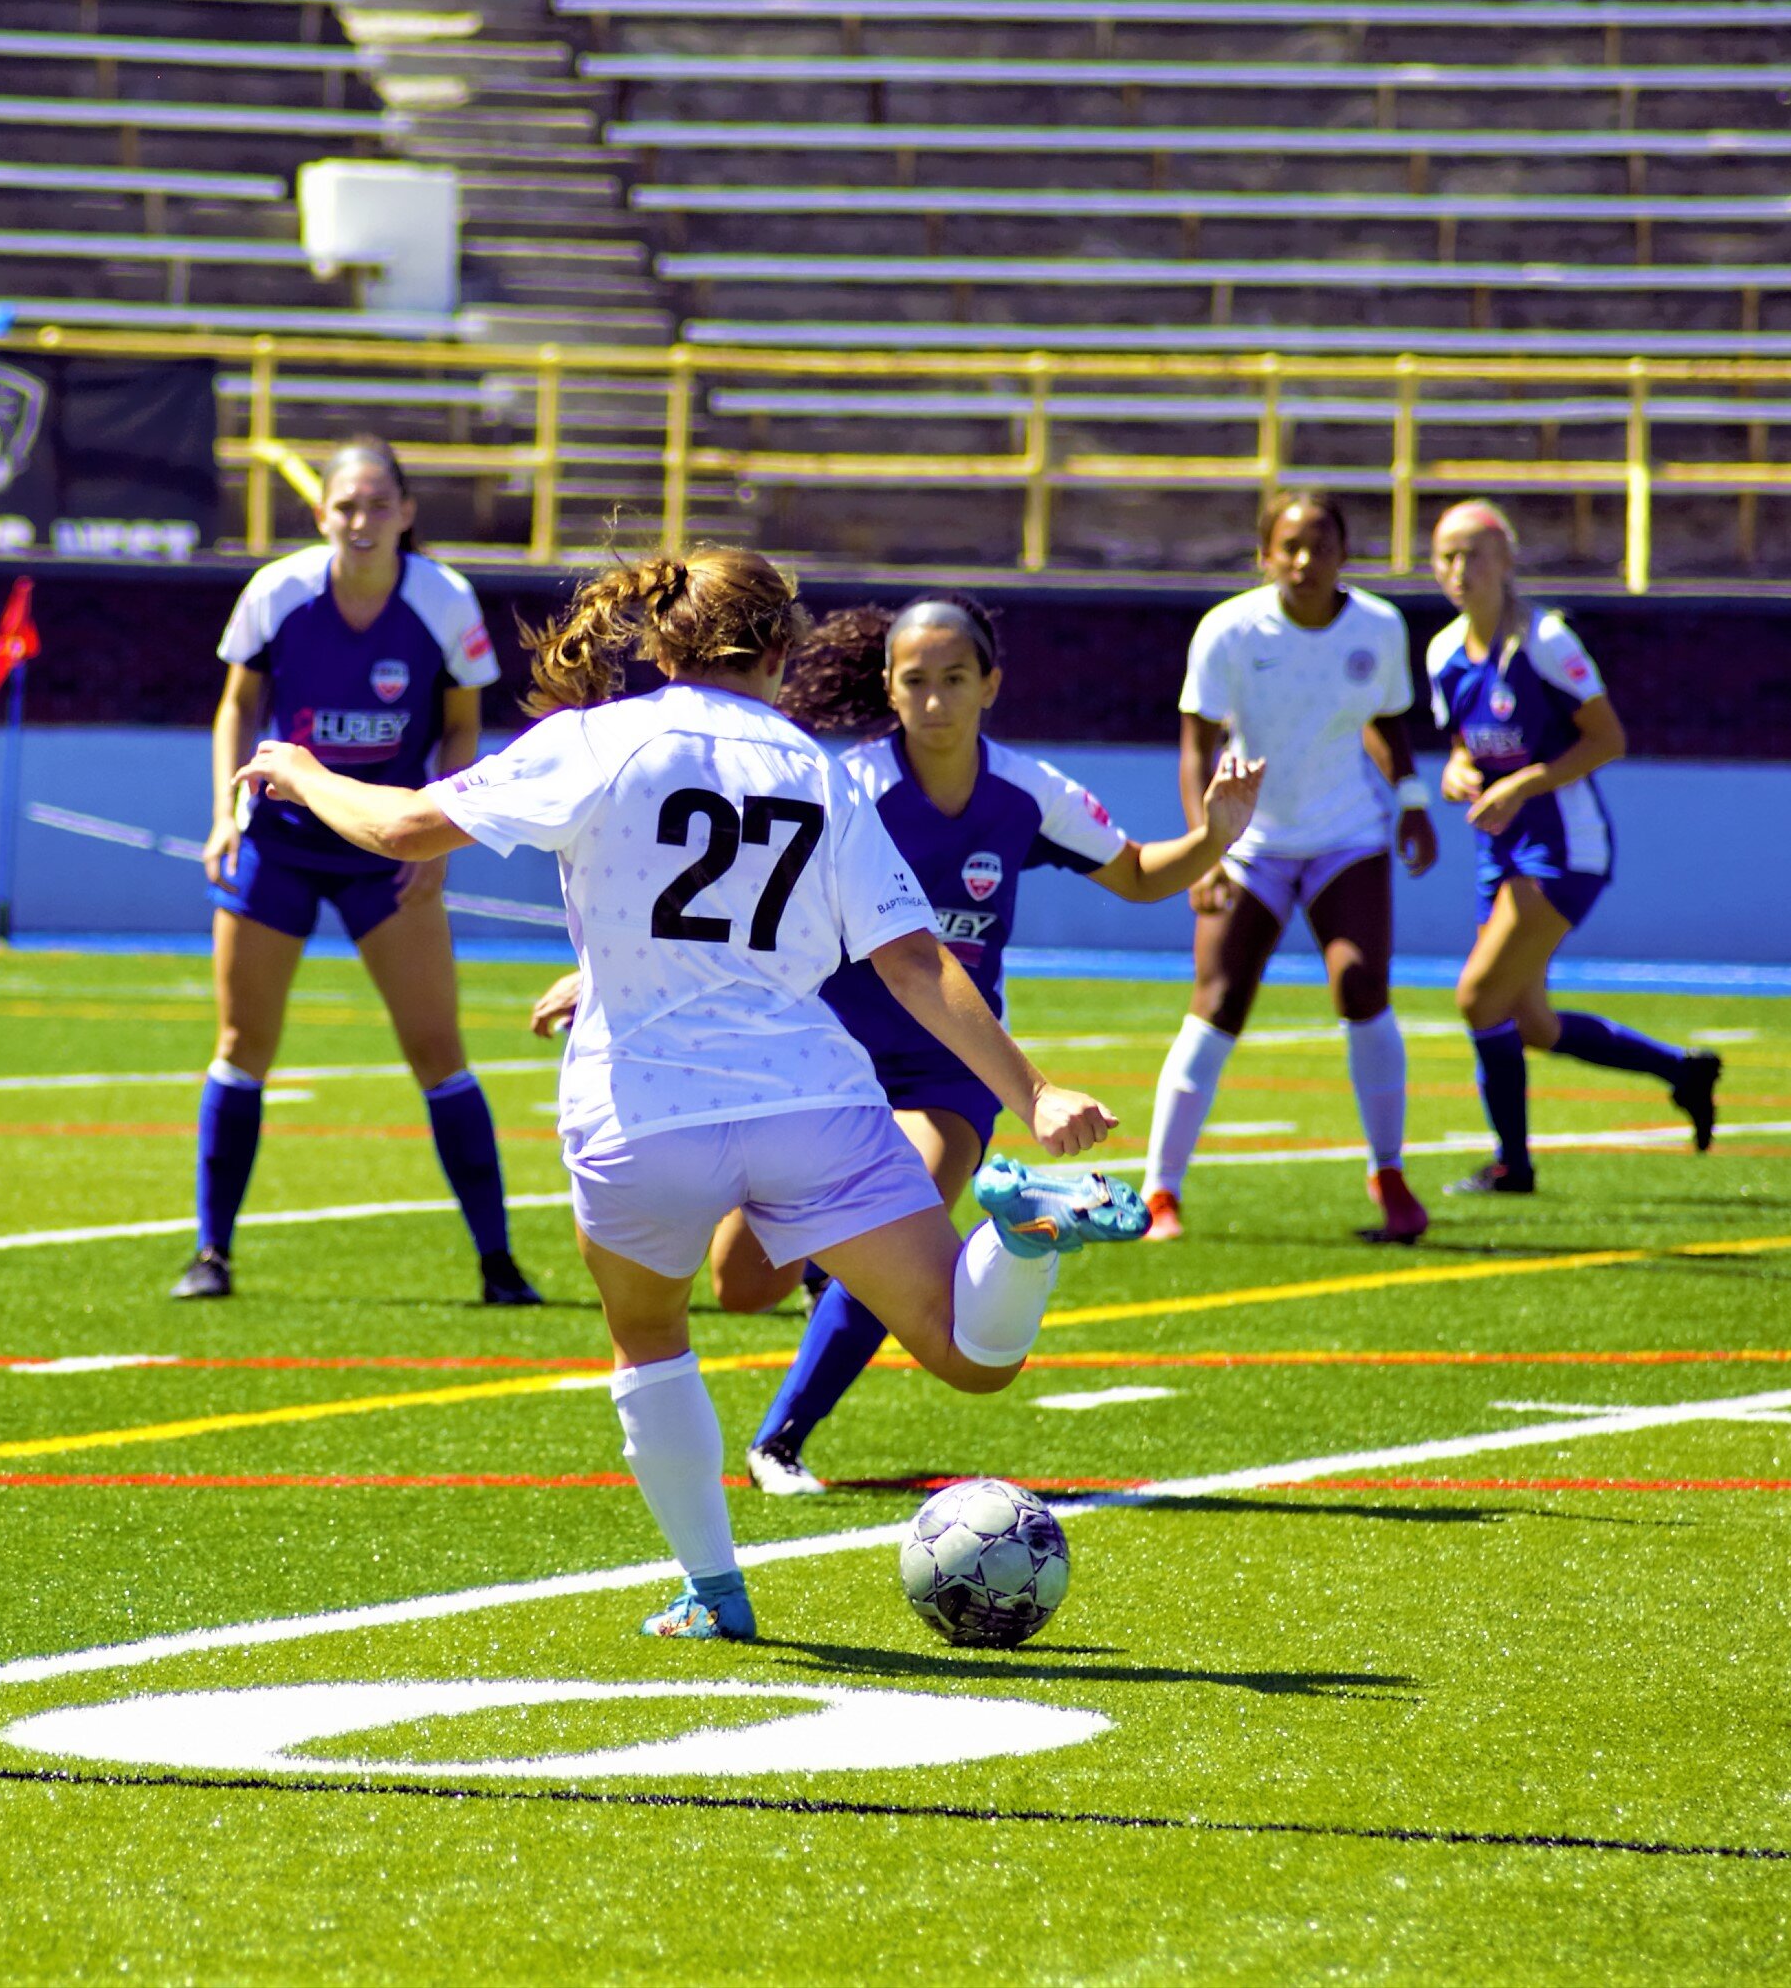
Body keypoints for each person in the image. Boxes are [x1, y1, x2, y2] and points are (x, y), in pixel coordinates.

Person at [235, 545, 1140, 1641]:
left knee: (651, 1338)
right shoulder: (821, 769)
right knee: (972, 1354)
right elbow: (912, 964)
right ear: (780, 649)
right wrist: (1034, 1093)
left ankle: (716, 1592)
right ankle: (1028, 1237)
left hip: (641, 1113)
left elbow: (398, 829)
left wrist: (297, 769)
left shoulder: (594, 740)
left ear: (662, 640)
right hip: (810, 1103)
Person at [522, 599, 1263, 1497]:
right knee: (740, 1284)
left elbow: (1141, 874)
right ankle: (832, 1273)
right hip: (819, 1060)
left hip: (950, 1065)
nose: (936, 699)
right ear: (888, 687)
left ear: (991, 684)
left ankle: (781, 1441)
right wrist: (604, 977)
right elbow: (720, 907)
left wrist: (1214, 838)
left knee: (910, 1240)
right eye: (916, 680)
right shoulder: (847, 783)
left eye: (956, 679)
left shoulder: (1029, 793)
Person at [186, 438, 536, 1308]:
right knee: (241, 1047)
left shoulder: (442, 599)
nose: (362, 519)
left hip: (387, 846)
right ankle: (211, 1254)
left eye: (380, 503)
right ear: (321, 514)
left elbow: (462, 728)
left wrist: (436, 835)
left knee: (437, 1050)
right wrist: (227, 815)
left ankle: (498, 1263)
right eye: (347, 504)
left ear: (408, 512)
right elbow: (236, 707)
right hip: (281, 841)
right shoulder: (278, 591)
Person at [1142, 489, 1437, 1246]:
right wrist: (1202, 845)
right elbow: (1196, 746)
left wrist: (1411, 801)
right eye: (1290, 545)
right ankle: (1160, 1193)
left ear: (1346, 551)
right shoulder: (1229, 630)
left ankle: (1390, 1172)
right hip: (1249, 842)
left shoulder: (1379, 625)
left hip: (1347, 833)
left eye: (1321, 544)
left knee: (1363, 984)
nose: (1306, 560)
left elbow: (1386, 720)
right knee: (1218, 1000)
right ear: (1266, 554)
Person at [1425, 499, 1719, 1194]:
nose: (1459, 569)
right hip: (1501, 848)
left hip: (1564, 846)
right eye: (1445, 556)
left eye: (1473, 553)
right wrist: (1457, 770)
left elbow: (1608, 738)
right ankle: (1683, 1070)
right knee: (1527, 1020)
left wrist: (1524, 783)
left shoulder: (1546, 639)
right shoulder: (1442, 650)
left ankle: (1512, 1165)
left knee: (1476, 998)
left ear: (1507, 559)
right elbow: (1466, 745)